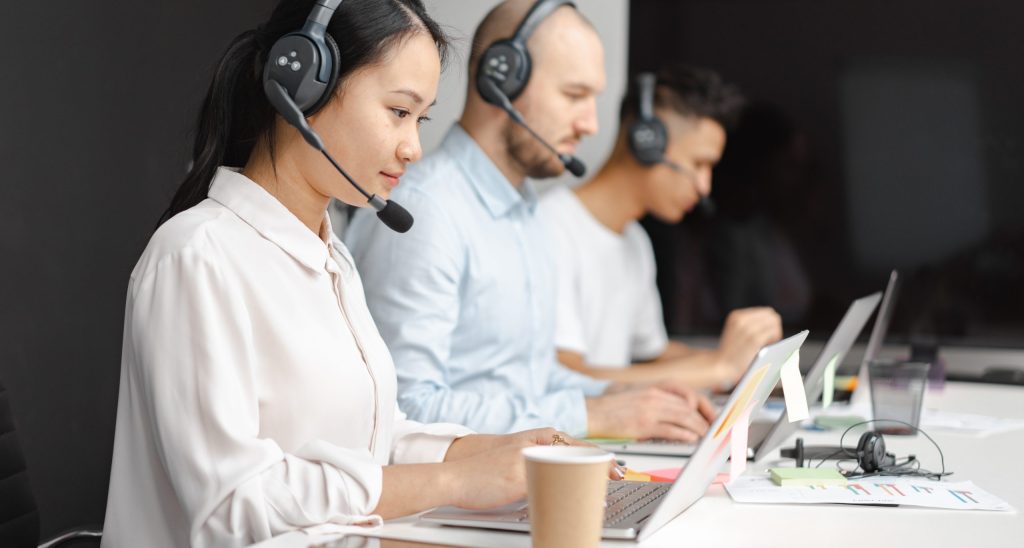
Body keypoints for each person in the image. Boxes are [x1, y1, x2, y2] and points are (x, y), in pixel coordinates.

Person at [102, 2, 608, 546]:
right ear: (304, 88)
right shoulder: (197, 257)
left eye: (422, 119)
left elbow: (372, 438)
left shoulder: (331, 257)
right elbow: (233, 505)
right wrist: (453, 480)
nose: (413, 147)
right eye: (398, 111)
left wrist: (494, 450)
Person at [345, 0, 715, 443]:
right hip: (447, 502)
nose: (591, 124)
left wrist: (626, 394)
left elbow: (528, 380)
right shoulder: (429, 212)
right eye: (574, 96)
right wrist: (592, 415)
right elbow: (405, 406)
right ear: (502, 78)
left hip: (518, 482)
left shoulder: (526, 211)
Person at [539, 67, 783, 390]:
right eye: (699, 164)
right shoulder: (550, 228)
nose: (704, 187)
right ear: (646, 141)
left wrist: (744, 363)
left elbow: (653, 355)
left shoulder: (635, 241)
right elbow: (567, 378)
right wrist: (716, 369)